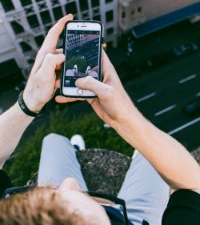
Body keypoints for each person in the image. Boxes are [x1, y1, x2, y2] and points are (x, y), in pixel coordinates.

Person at [0, 14, 200, 225]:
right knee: (149, 155)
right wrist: (124, 119)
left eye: (55, 196)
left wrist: (30, 100)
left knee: (53, 139)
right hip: (137, 218)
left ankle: (74, 149)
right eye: (88, 209)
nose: (69, 183)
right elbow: (192, 185)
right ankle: (76, 152)